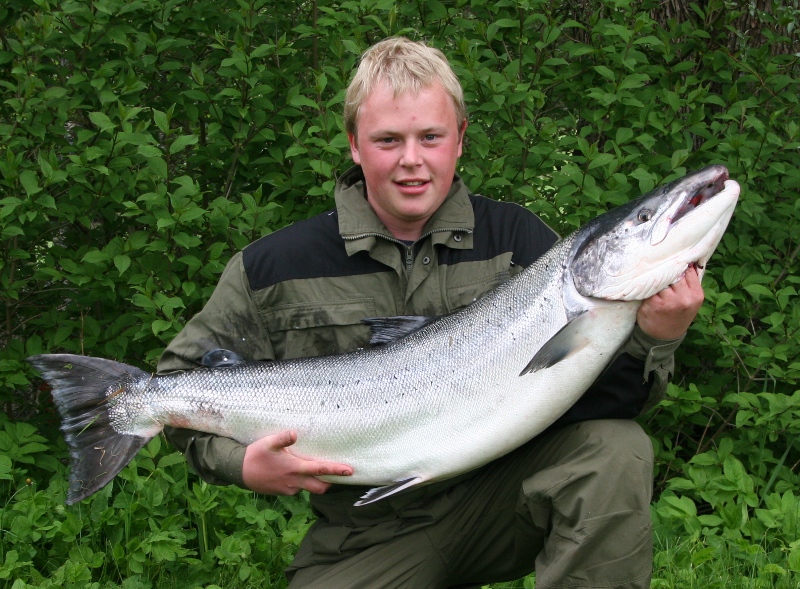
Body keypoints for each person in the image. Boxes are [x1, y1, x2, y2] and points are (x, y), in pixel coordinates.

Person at [158, 37, 704, 589]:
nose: (411, 159)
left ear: (460, 139)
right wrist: (242, 466)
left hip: (501, 502)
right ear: (354, 144)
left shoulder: (519, 242)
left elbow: (608, 400)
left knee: (615, 449)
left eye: (431, 137)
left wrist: (658, 337)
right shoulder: (273, 267)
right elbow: (174, 386)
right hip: (367, 533)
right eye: (388, 140)